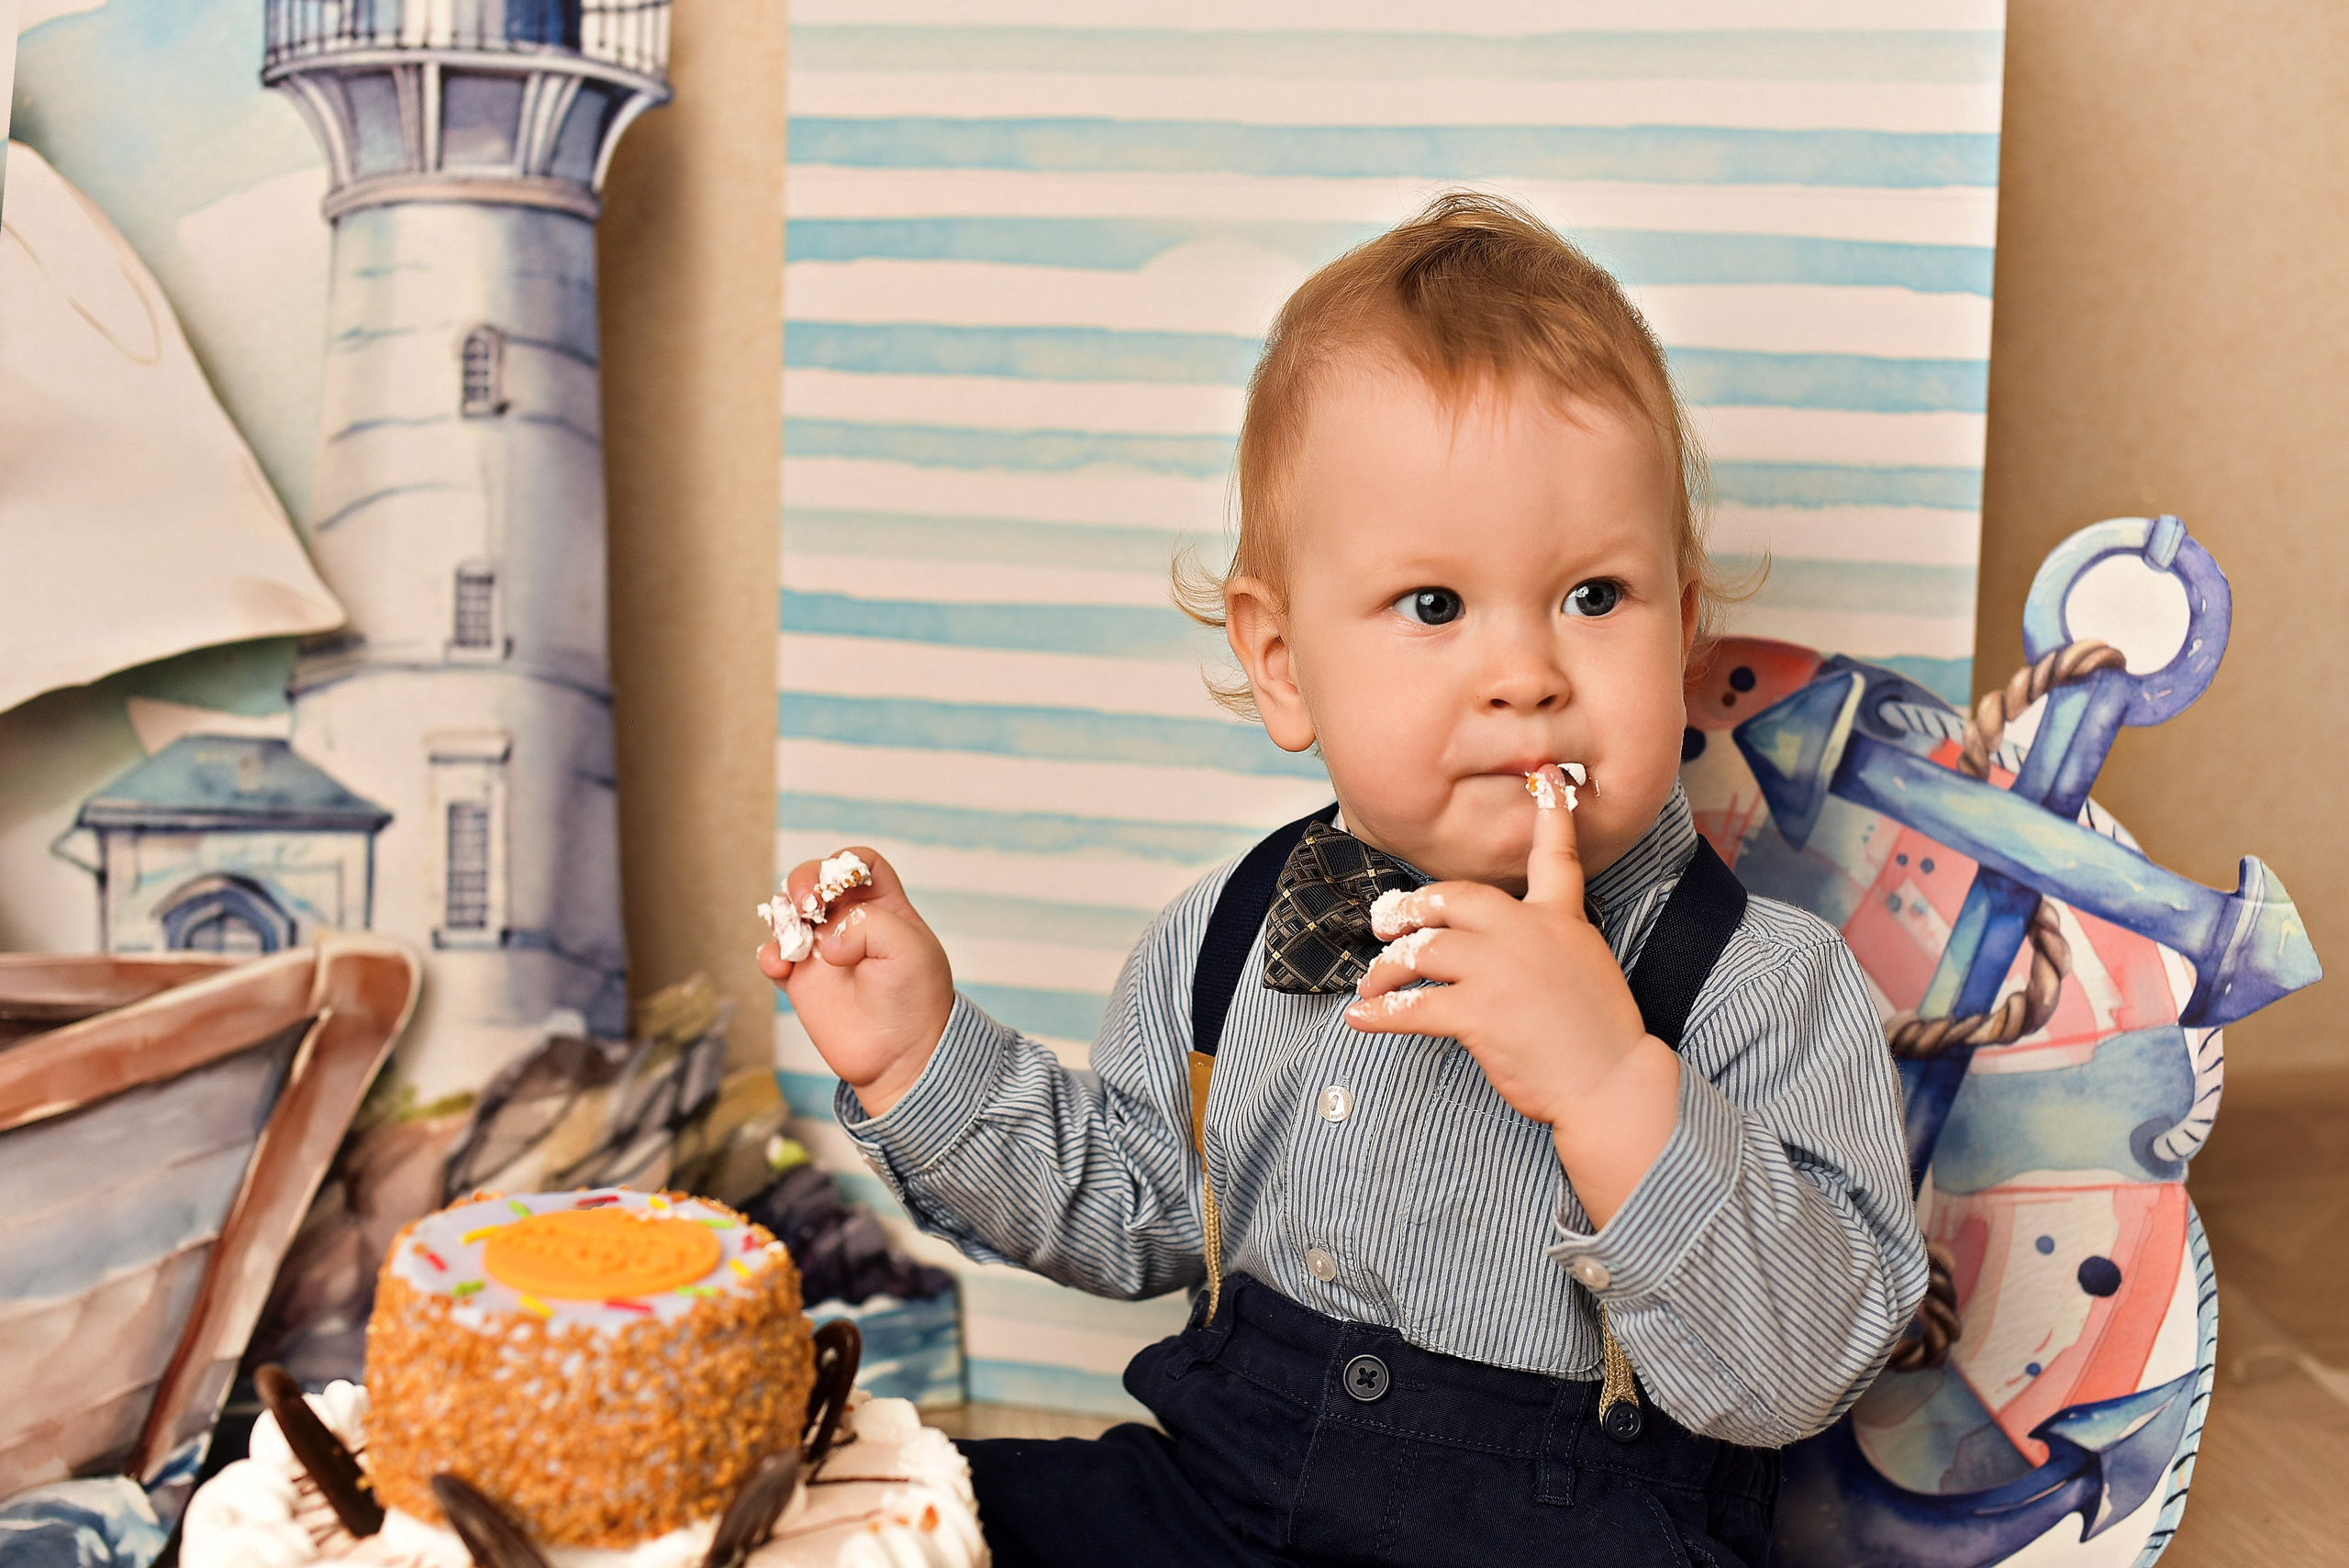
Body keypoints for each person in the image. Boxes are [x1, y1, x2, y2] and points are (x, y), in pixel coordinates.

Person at [759, 192, 1925, 1568]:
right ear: (1285, 664)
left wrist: (1613, 1082)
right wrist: (917, 1056)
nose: (1527, 672)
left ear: (1686, 624)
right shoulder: (1235, 935)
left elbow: (1804, 1365)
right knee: (896, 1516)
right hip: (1231, 1499)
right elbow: (1129, 1200)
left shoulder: (1768, 986)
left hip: (1574, 1542)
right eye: (1435, 606)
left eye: (1596, 596)